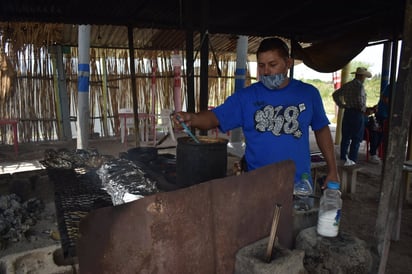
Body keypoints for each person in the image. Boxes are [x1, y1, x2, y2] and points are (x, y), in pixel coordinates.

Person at [172, 37, 339, 189]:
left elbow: (321, 130)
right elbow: (215, 117)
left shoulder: (308, 94)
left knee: (296, 222)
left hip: (297, 184)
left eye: (273, 65)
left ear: (288, 63)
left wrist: (333, 170)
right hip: (257, 184)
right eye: (261, 65)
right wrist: (192, 118)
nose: (266, 71)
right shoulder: (246, 97)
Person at [332, 67, 372, 166]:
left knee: (345, 137)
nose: (364, 79)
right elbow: (360, 101)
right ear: (361, 76)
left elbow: (335, 95)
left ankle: (343, 158)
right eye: (364, 77)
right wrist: (365, 110)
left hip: (348, 112)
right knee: (356, 138)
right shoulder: (360, 87)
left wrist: (342, 105)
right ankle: (352, 160)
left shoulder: (348, 85)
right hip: (358, 114)